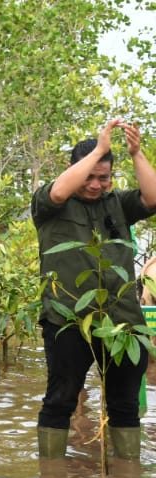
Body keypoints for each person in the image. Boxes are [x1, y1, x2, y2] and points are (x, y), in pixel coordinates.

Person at [33, 119, 156, 459]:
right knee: (60, 400)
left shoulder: (118, 203)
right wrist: (100, 149)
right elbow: (59, 191)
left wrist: (136, 152)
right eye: (89, 176)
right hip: (69, 320)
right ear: (75, 169)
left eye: (104, 177)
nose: (96, 184)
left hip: (122, 322)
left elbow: (153, 196)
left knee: (125, 404)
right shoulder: (48, 203)